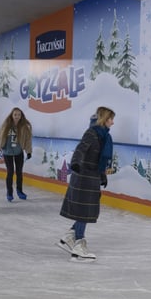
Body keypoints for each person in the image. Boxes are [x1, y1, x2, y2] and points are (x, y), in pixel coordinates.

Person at [57, 107, 115, 261]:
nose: (113, 122)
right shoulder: (92, 133)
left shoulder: (103, 136)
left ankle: (68, 237)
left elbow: (99, 160)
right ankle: (78, 248)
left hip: (92, 176)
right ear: (104, 118)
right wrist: (75, 163)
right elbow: (80, 149)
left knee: (87, 211)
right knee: (84, 212)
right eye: (110, 119)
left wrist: (102, 175)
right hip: (83, 176)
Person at [0, 107, 33, 201]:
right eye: (15, 114)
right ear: (12, 115)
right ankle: (9, 192)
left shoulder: (24, 127)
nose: (17, 116)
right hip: (7, 152)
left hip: (18, 152)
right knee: (10, 172)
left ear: (21, 116)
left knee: (19, 172)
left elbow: (28, 140)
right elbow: (0, 137)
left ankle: (20, 191)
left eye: (19, 115)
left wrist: (28, 152)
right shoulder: (6, 125)